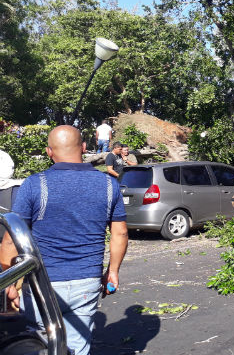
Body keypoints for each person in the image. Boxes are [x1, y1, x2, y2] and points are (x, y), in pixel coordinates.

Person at [0, 125, 128, 355]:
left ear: (49, 152)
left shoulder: (34, 184)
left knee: (42, 344)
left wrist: (9, 283)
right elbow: (120, 233)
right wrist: (113, 271)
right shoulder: (109, 184)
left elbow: (11, 239)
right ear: (85, 147)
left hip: (43, 284)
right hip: (87, 281)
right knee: (77, 348)